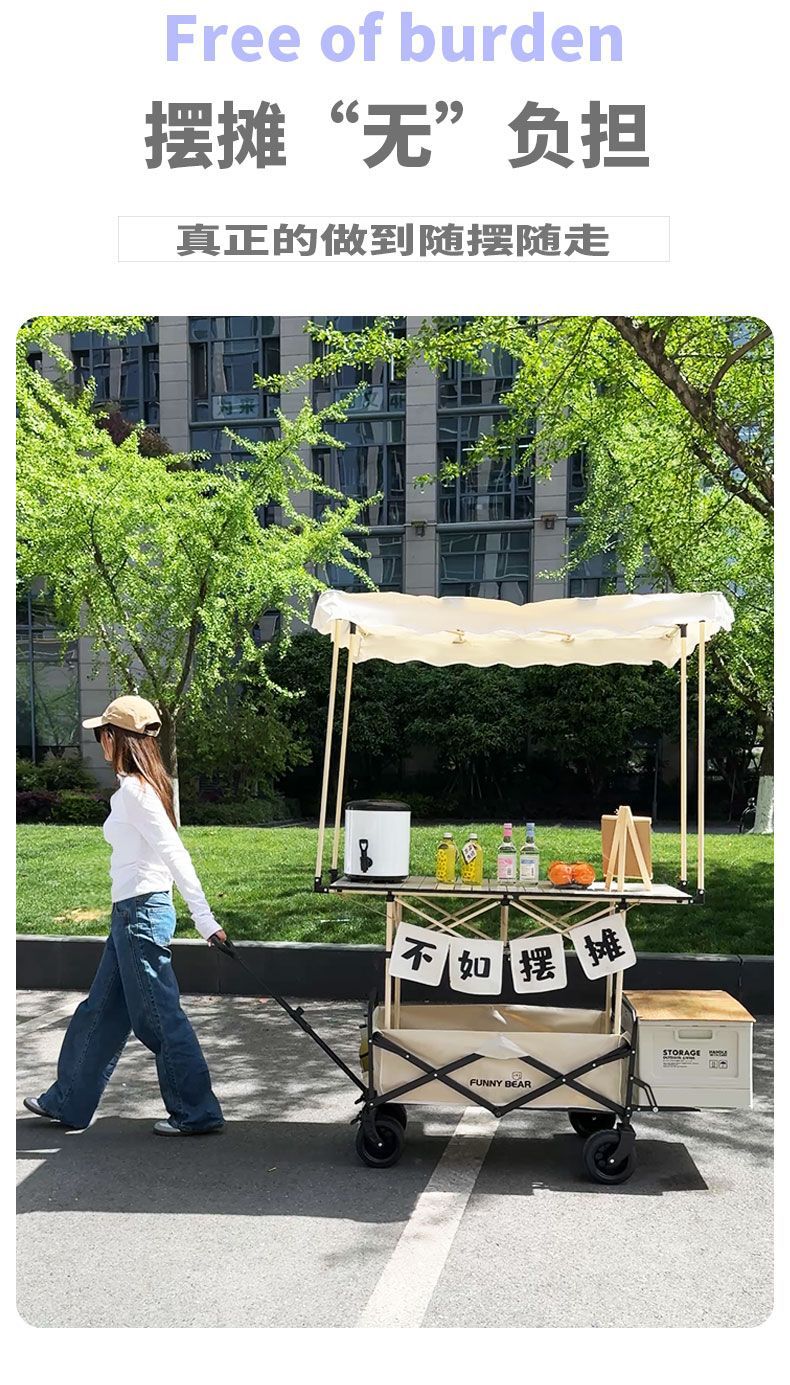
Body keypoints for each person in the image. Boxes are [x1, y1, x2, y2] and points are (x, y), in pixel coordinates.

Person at [24, 695, 226, 1137]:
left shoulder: (137, 792)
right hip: (130, 914)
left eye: (102, 733)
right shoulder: (139, 788)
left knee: (158, 1017)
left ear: (117, 738)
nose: (100, 740)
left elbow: (175, 854)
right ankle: (68, 1101)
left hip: (142, 915)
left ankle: (196, 1111)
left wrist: (204, 918)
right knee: (100, 1011)